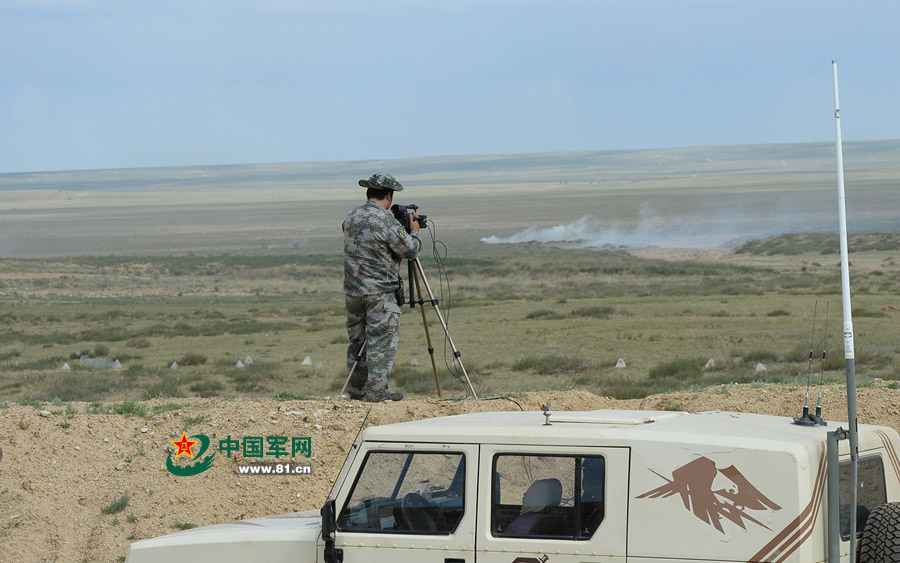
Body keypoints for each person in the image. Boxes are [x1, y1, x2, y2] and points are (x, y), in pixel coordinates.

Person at [342, 173, 421, 402]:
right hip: (380, 293)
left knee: (357, 343)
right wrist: (414, 231)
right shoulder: (386, 221)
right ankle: (376, 396)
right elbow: (410, 250)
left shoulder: (351, 216)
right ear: (389, 195)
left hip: (353, 291)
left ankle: (356, 394)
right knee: (381, 343)